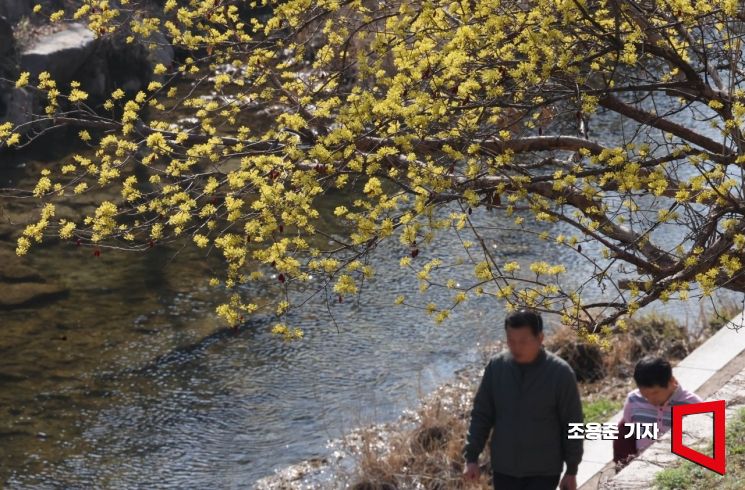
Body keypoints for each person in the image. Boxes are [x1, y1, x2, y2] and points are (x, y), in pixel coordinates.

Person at [462, 309, 584, 490]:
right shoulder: (497, 368)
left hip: (544, 471)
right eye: (511, 341)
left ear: (540, 338)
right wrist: (471, 457)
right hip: (504, 468)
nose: (516, 347)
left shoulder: (560, 373)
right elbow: (481, 414)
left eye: (523, 341)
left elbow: (573, 422)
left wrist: (571, 469)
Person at [613, 356, 702, 468]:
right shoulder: (633, 400)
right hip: (640, 467)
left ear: (671, 381)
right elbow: (625, 435)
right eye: (645, 395)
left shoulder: (694, 405)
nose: (650, 399)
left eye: (655, 393)